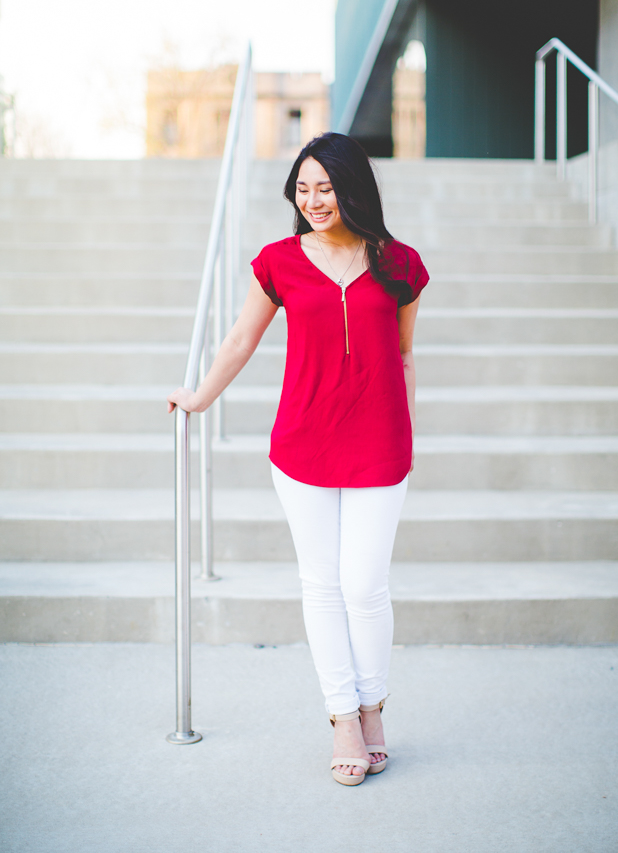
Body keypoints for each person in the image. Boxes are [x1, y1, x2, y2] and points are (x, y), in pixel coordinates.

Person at [167, 131, 429, 786]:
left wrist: (408, 434)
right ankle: (343, 716)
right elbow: (238, 340)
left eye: (326, 187)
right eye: (303, 188)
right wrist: (198, 397)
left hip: (378, 443)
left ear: (353, 189)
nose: (313, 199)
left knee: (365, 586)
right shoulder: (278, 262)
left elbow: (402, 357)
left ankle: (374, 706)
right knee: (322, 584)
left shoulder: (400, 265)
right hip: (304, 444)